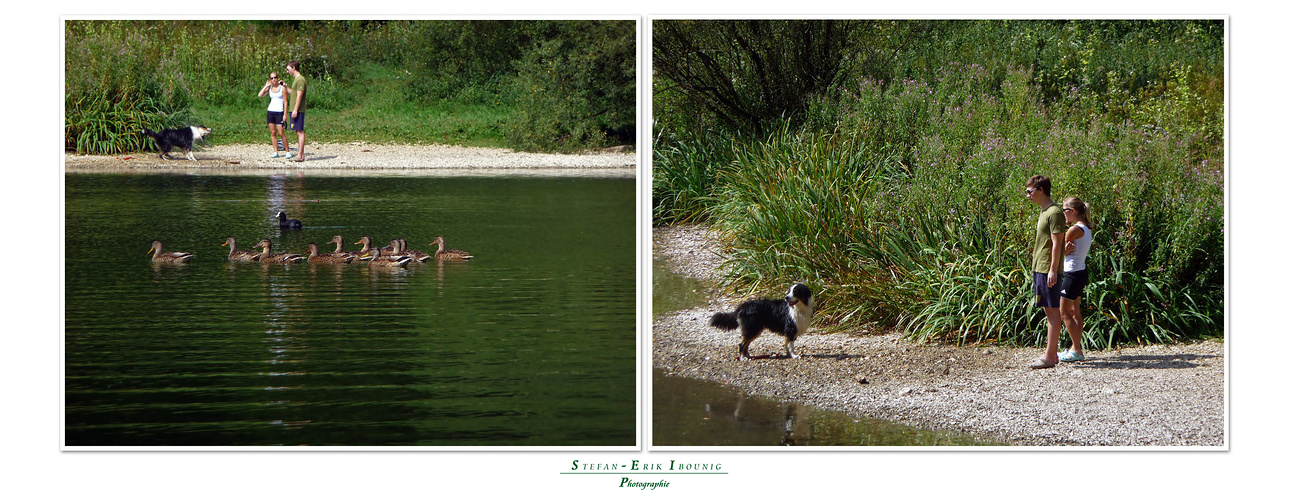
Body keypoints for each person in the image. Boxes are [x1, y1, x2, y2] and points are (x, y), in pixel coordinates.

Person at [1025, 175, 1065, 369]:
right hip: (1039, 267)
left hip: (1047, 269)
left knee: (1052, 311)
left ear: (1041, 190)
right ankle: (1051, 354)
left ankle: (1050, 356)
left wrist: (1053, 270)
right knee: (1049, 310)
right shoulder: (1044, 212)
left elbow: (1058, 243)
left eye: (1030, 191)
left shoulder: (1054, 212)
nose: (1028, 196)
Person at [1057, 197, 1094, 362]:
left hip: (1072, 274)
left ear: (1073, 211)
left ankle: (1077, 350)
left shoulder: (1073, 230)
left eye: (1064, 210)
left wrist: (1062, 253)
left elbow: (1060, 253)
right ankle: (1075, 348)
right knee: (1074, 311)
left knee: (1064, 312)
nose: (1063, 213)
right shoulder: (1086, 228)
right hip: (1080, 273)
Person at [257, 72, 290, 158]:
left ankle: (287, 151)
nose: (273, 79)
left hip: (279, 112)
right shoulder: (270, 88)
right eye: (271, 78)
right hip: (271, 111)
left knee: (281, 132)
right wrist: (266, 86)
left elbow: (286, 102)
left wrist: (285, 114)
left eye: (275, 78)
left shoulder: (282, 88)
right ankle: (276, 151)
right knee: (273, 133)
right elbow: (260, 95)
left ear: (277, 78)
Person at [284, 60, 307, 162]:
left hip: (297, 110)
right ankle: (300, 154)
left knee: (300, 132)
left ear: (293, 68)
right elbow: (293, 93)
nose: (287, 71)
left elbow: (299, 95)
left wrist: (295, 110)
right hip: (294, 109)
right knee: (297, 132)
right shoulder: (296, 80)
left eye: (288, 69)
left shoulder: (300, 80)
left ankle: (300, 155)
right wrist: (285, 86)